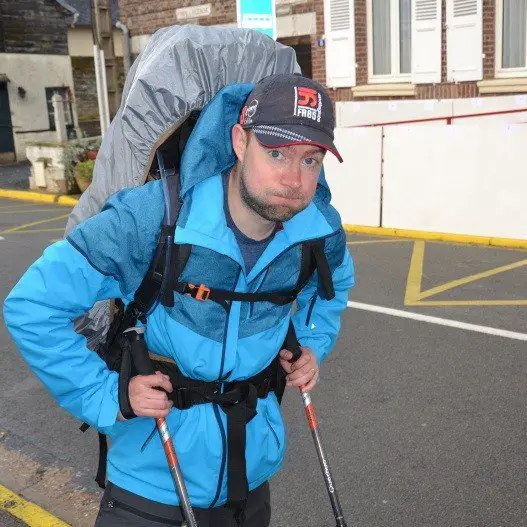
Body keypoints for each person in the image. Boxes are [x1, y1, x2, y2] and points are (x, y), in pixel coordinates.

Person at [4, 72, 355, 526]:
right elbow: (33, 305)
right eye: (275, 153)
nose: (293, 179)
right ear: (239, 141)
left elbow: (330, 289)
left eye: (311, 160)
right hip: (151, 487)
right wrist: (107, 394)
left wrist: (311, 345)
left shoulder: (318, 229)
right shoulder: (153, 217)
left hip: (248, 484)